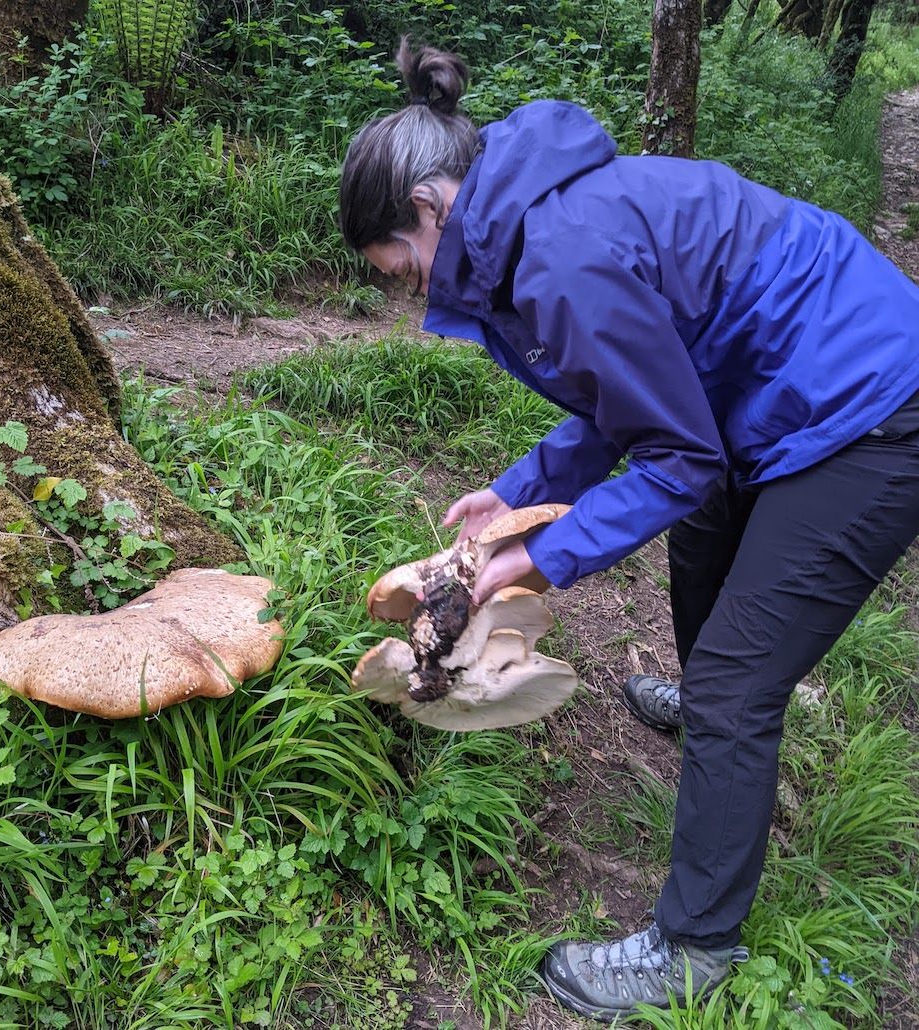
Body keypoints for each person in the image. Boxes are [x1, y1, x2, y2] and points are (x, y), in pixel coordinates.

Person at [339, 39, 919, 1022]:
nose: (411, 292)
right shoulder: (526, 232)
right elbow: (627, 401)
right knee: (698, 541)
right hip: (762, 395)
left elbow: (676, 454)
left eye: (401, 267)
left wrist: (531, 556)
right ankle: (708, 716)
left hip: (866, 404)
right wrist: (514, 494)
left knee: (742, 672)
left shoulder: (560, 254)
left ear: (432, 205)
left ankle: (694, 944)